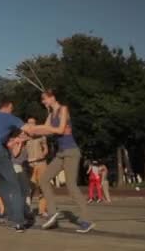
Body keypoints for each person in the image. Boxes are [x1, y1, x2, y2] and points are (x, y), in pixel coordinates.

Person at [0, 99, 43, 232]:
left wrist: (17, 140)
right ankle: (19, 222)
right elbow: (30, 130)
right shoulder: (10, 118)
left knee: (3, 184)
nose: (13, 110)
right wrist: (47, 130)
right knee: (15, 186)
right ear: (9, 107)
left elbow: (0, 140)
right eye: (12, 108)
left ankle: (10, 216)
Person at [38, 89, 95, 233]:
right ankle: (52, 213)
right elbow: (46, 130)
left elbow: (60, 129)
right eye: (42, 100)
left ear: (52, 97)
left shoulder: (63, 109)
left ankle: (86, 221)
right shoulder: (51, 114)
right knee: (44, 179)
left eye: (44, 99)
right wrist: (27, 133)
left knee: (71, 185)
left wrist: (49, 129)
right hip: (61, 153)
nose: (43, 102)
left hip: (71, 152)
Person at [24, 117, 48, 216]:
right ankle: (27, 209)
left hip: (41, 164)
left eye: (33, 123)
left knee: (43, 187)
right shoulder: (25, 137)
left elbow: (46, 150)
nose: (31, 125)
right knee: (30, 188)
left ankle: (42, 210)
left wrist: (41, 155)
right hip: (30, 166)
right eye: (29, 123)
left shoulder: (41, 136)